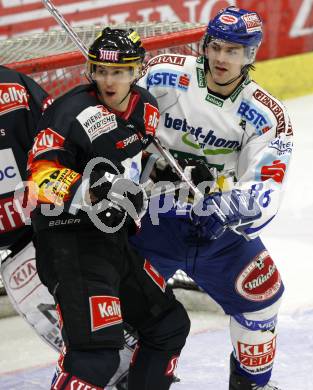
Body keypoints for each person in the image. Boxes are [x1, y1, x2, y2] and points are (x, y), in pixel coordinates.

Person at [131, 6, 294, 390]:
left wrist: (226, 204)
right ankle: (123, 376)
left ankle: (249, 385)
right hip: (151, 221)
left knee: (261, 297)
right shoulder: (163, 74)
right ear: (204, 45)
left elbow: (266, 184)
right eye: (216, 47)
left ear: (250, 55)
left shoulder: (266, 115)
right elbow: (120, 119)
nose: (221, 58)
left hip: (216, 230)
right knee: (122, 310)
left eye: (233, 51)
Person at [27, 27, 190, 390]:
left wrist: (167, 173)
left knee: (168, 324)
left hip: (113, 240)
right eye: (100, 70)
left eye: (118, 71)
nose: (107, 80)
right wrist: (98, 191)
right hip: (69, 239)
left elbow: (137, 160)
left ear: (137, 71)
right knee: (95, 356)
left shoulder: (146, 107)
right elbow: (40, 176)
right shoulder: (70, 112)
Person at [0, 65, 63, 350]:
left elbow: (55, 136)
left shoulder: (14, 86)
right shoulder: (14, 83)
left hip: (36, 229)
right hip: (33, 223)